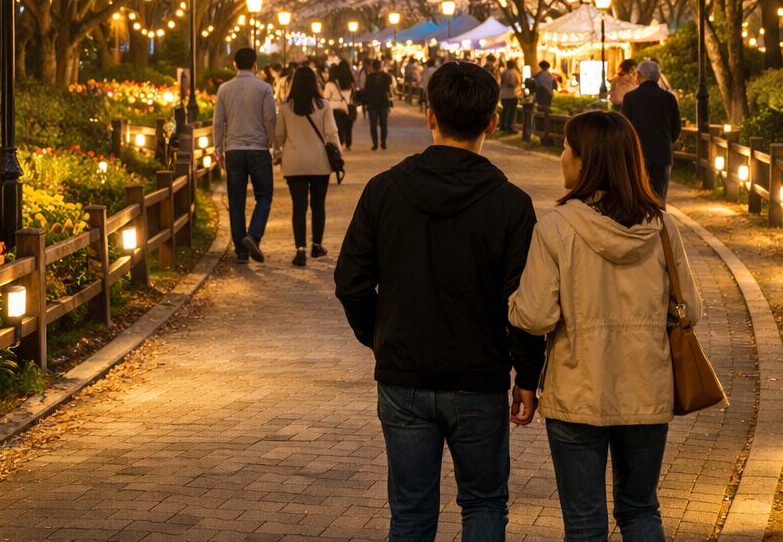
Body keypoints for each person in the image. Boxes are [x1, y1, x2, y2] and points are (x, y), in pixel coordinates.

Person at [335, 61, 545, 542]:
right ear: (493, 121)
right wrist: (528, 375)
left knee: (409, 512)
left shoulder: (384, 191)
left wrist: (380, 334)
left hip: (404, 372)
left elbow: (351, 281)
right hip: (479, 376)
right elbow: (523, 303)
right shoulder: (511, 204)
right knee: (485, 504)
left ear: (430, 116)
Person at [508, 109, 701, 542]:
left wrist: (512, 303)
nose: (561, 156)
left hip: (578, 390)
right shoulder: (661, 226)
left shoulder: (556, 227)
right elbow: (691, 309)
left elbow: (536, 316)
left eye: (566, 148)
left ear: (585, 160)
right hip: (646, 388)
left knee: (584, 523)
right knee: (641, 511)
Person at [212, 46, 277, 263]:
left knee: (236, 200)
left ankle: (241, 252)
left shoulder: (224, 89)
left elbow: (218, 121)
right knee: (264, 195)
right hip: (258, 149)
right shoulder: (264, 88)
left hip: (234, 150)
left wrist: (218, 148)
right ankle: (254, 235)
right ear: (255, 65)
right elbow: (270, 120)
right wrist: (275, 145)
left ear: (235, 65)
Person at [276, 66, 342, 267]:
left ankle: (300, 250)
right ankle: (316, 245)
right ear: (315, 83)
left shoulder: (286, 106)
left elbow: (279, 135)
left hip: (294, 163)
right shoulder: (323, 105)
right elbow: (331, 133)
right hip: (319, 162)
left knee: (299, 206)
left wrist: (279, 150)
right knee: (318, 205)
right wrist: (338, 153)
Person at [622, 59, 682, 200]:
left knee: (638, 197)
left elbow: (624, 127)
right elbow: (676, 127)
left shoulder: (630, 98)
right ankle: (659, 221)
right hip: (662, 154)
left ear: (640, 75)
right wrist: (666, 141)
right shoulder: (668, 99)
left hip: (637, 154)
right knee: (659, 198)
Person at [324, 59, 357, 151]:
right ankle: (348, 144)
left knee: (339, 127)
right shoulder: (348, 84)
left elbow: (325, 97)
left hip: (336, 109)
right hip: (348, 107)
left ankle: (341, 143)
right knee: (348, 127)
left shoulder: (330, 84)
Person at [363, 58, 393, 150]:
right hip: (383, 102)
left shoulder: (369, 77)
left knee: (373, 125)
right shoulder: (386, 76)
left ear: (372, 67)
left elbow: (366, 91)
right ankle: (383, 143)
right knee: (384, 124)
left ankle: (375, 144)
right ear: (380, 66)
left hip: (372, 103)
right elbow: (388, 90)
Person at [499, 59, 521, 133]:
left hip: (504, 94)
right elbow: (511, 83)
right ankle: (509, 127)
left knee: (505, 111)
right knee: (511, 112)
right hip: (511, 94)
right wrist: (516, 84)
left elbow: (501, 82)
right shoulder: (512, 72)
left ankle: (502, 126)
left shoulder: (504, 72)